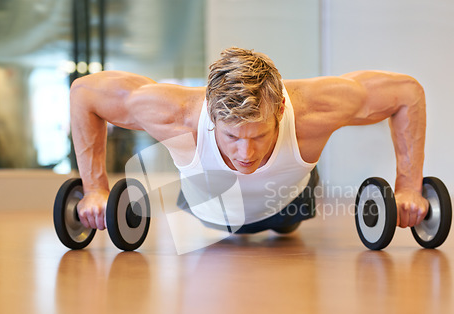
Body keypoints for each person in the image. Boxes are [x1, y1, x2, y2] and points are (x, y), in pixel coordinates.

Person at [70, 47, 428, 234]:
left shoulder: (313, 109)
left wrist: (408, 188)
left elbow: (406, 93)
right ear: (211, 114)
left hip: (291, 204)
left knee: (289, 222)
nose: (246, 153)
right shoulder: (176, 113)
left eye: (259, 134)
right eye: (231, 136)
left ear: (281, 109)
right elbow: (85, 93)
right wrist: (95, 190)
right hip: (211, 210)